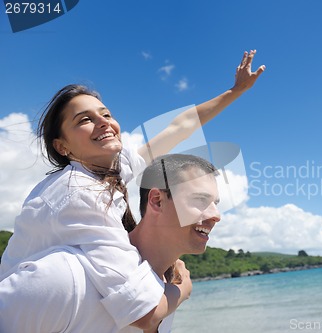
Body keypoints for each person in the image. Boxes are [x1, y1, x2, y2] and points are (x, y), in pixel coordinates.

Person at [0, 50, 265, 331]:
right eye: (84, 120)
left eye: (106, 114)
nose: (103, 122)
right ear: (62, 147)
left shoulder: (113, 167)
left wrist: (235, 91)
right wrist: (180, 290)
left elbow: (181, 126)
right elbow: (144, 313)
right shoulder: (79, 193)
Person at [0, 153, 222, 333]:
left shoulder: (165, 289)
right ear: (157, 201)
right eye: (200, 200)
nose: (216, 215)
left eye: (215, 203)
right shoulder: (66, 277)